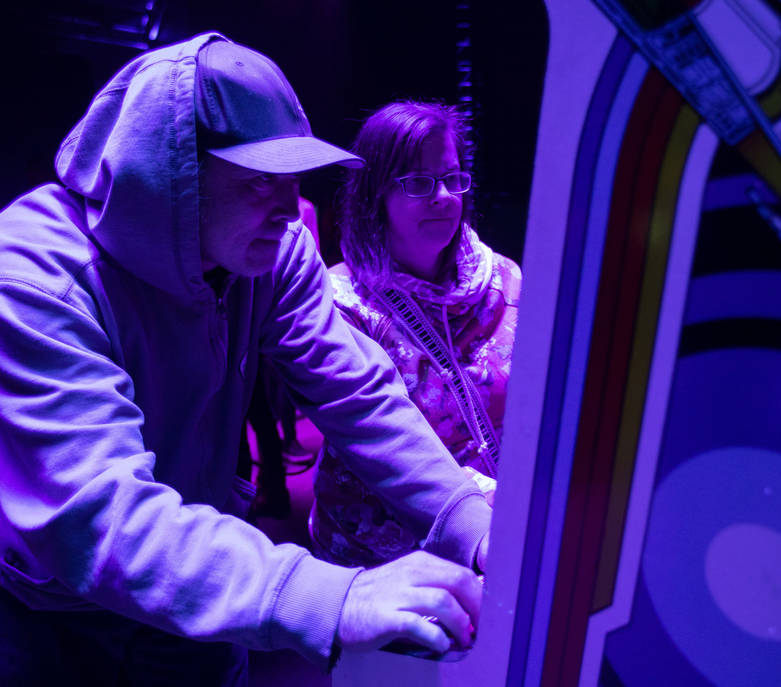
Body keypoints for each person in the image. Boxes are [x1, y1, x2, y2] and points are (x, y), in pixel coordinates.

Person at [0, 34, 492, 685]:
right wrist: (333, 598)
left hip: (206, 581)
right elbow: (103, 512)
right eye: (263, 180)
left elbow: (358, 395)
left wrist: (470, 519)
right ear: (171, 173)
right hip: (53, 617)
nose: (292, 210)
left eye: (294, 180)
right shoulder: (34, 278)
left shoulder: (267, 250)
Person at [310, 101, 520, 569]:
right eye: (418, 183)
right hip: (381, 561)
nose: (444, 196)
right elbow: (377, 446)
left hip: (498, 544)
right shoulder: (341, 303)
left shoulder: (506, 282)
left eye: (452, 178)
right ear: (375, 194)